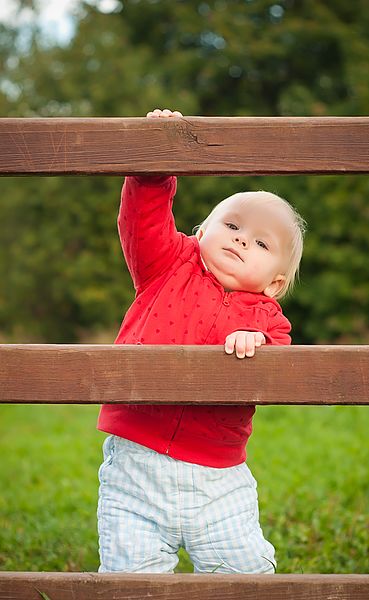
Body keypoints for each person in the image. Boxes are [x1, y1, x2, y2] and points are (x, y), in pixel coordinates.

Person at [97, 108, 306, 574]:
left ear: (274, 284)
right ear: (202, 231)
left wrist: (258, 346)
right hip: (136, 461)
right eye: (231, 225)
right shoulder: (167, 264)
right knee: (131, 574)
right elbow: (143, 222)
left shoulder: (268, 317)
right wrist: (156, 164)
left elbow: (279, 368)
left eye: (261, 243)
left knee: (243, 572)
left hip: (219, 476)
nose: (241, 240)